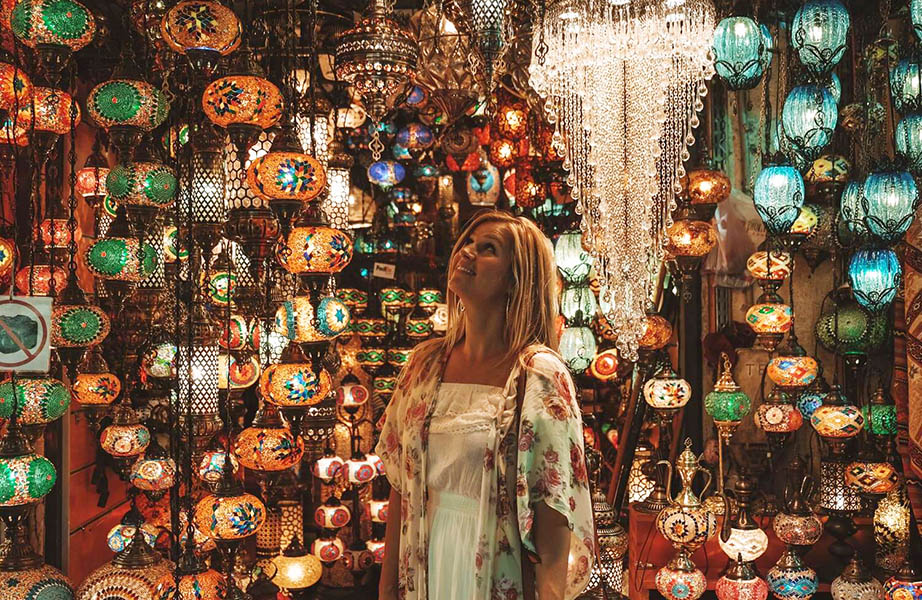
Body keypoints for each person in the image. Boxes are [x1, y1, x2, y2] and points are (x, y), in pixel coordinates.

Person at [376, 211, 595, 600]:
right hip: (426, 561)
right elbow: (399, 484)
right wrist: (388, 588)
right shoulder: (424, 364)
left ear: (516, 279)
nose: (467, 252)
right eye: (468, 243)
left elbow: (552, 508)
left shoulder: (537, 374)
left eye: (488, 248)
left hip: (495, 566)